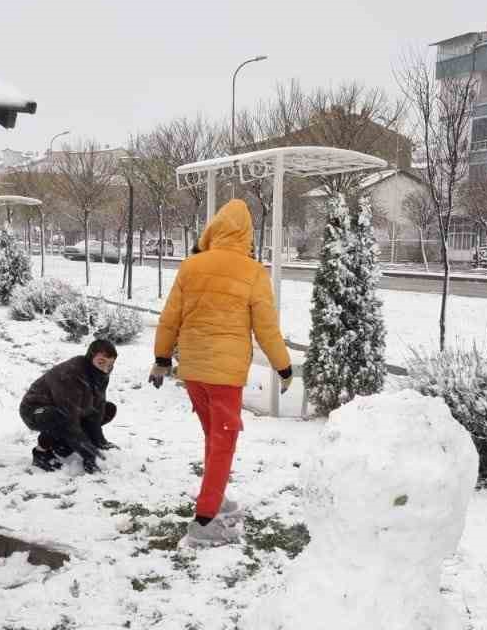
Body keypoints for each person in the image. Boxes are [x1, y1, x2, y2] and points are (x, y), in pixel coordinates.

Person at [149, 199, 292, 548]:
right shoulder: (253, 272)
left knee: (214, 439)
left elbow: (170, 317)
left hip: (194, 371)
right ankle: (204, 521)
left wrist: (162, 359)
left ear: (214, 229)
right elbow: (267, 328)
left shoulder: (191, 266)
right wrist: (283, 367)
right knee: (223, 444)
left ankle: (216, 497)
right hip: (225, 375)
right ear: (247, 234)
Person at [21, 339, 119, 472]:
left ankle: (62, 445)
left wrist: (99, 442)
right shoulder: (70, 374)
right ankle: (41, 453)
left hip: (66, 408)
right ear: (90, 357)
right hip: (35, 410)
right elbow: (69, 417)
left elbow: (98, 406)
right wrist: (89, 453)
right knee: (58, 416)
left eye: (110, 364)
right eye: (101, 362)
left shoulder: (100, 373)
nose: (106, 368)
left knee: (107, 409)